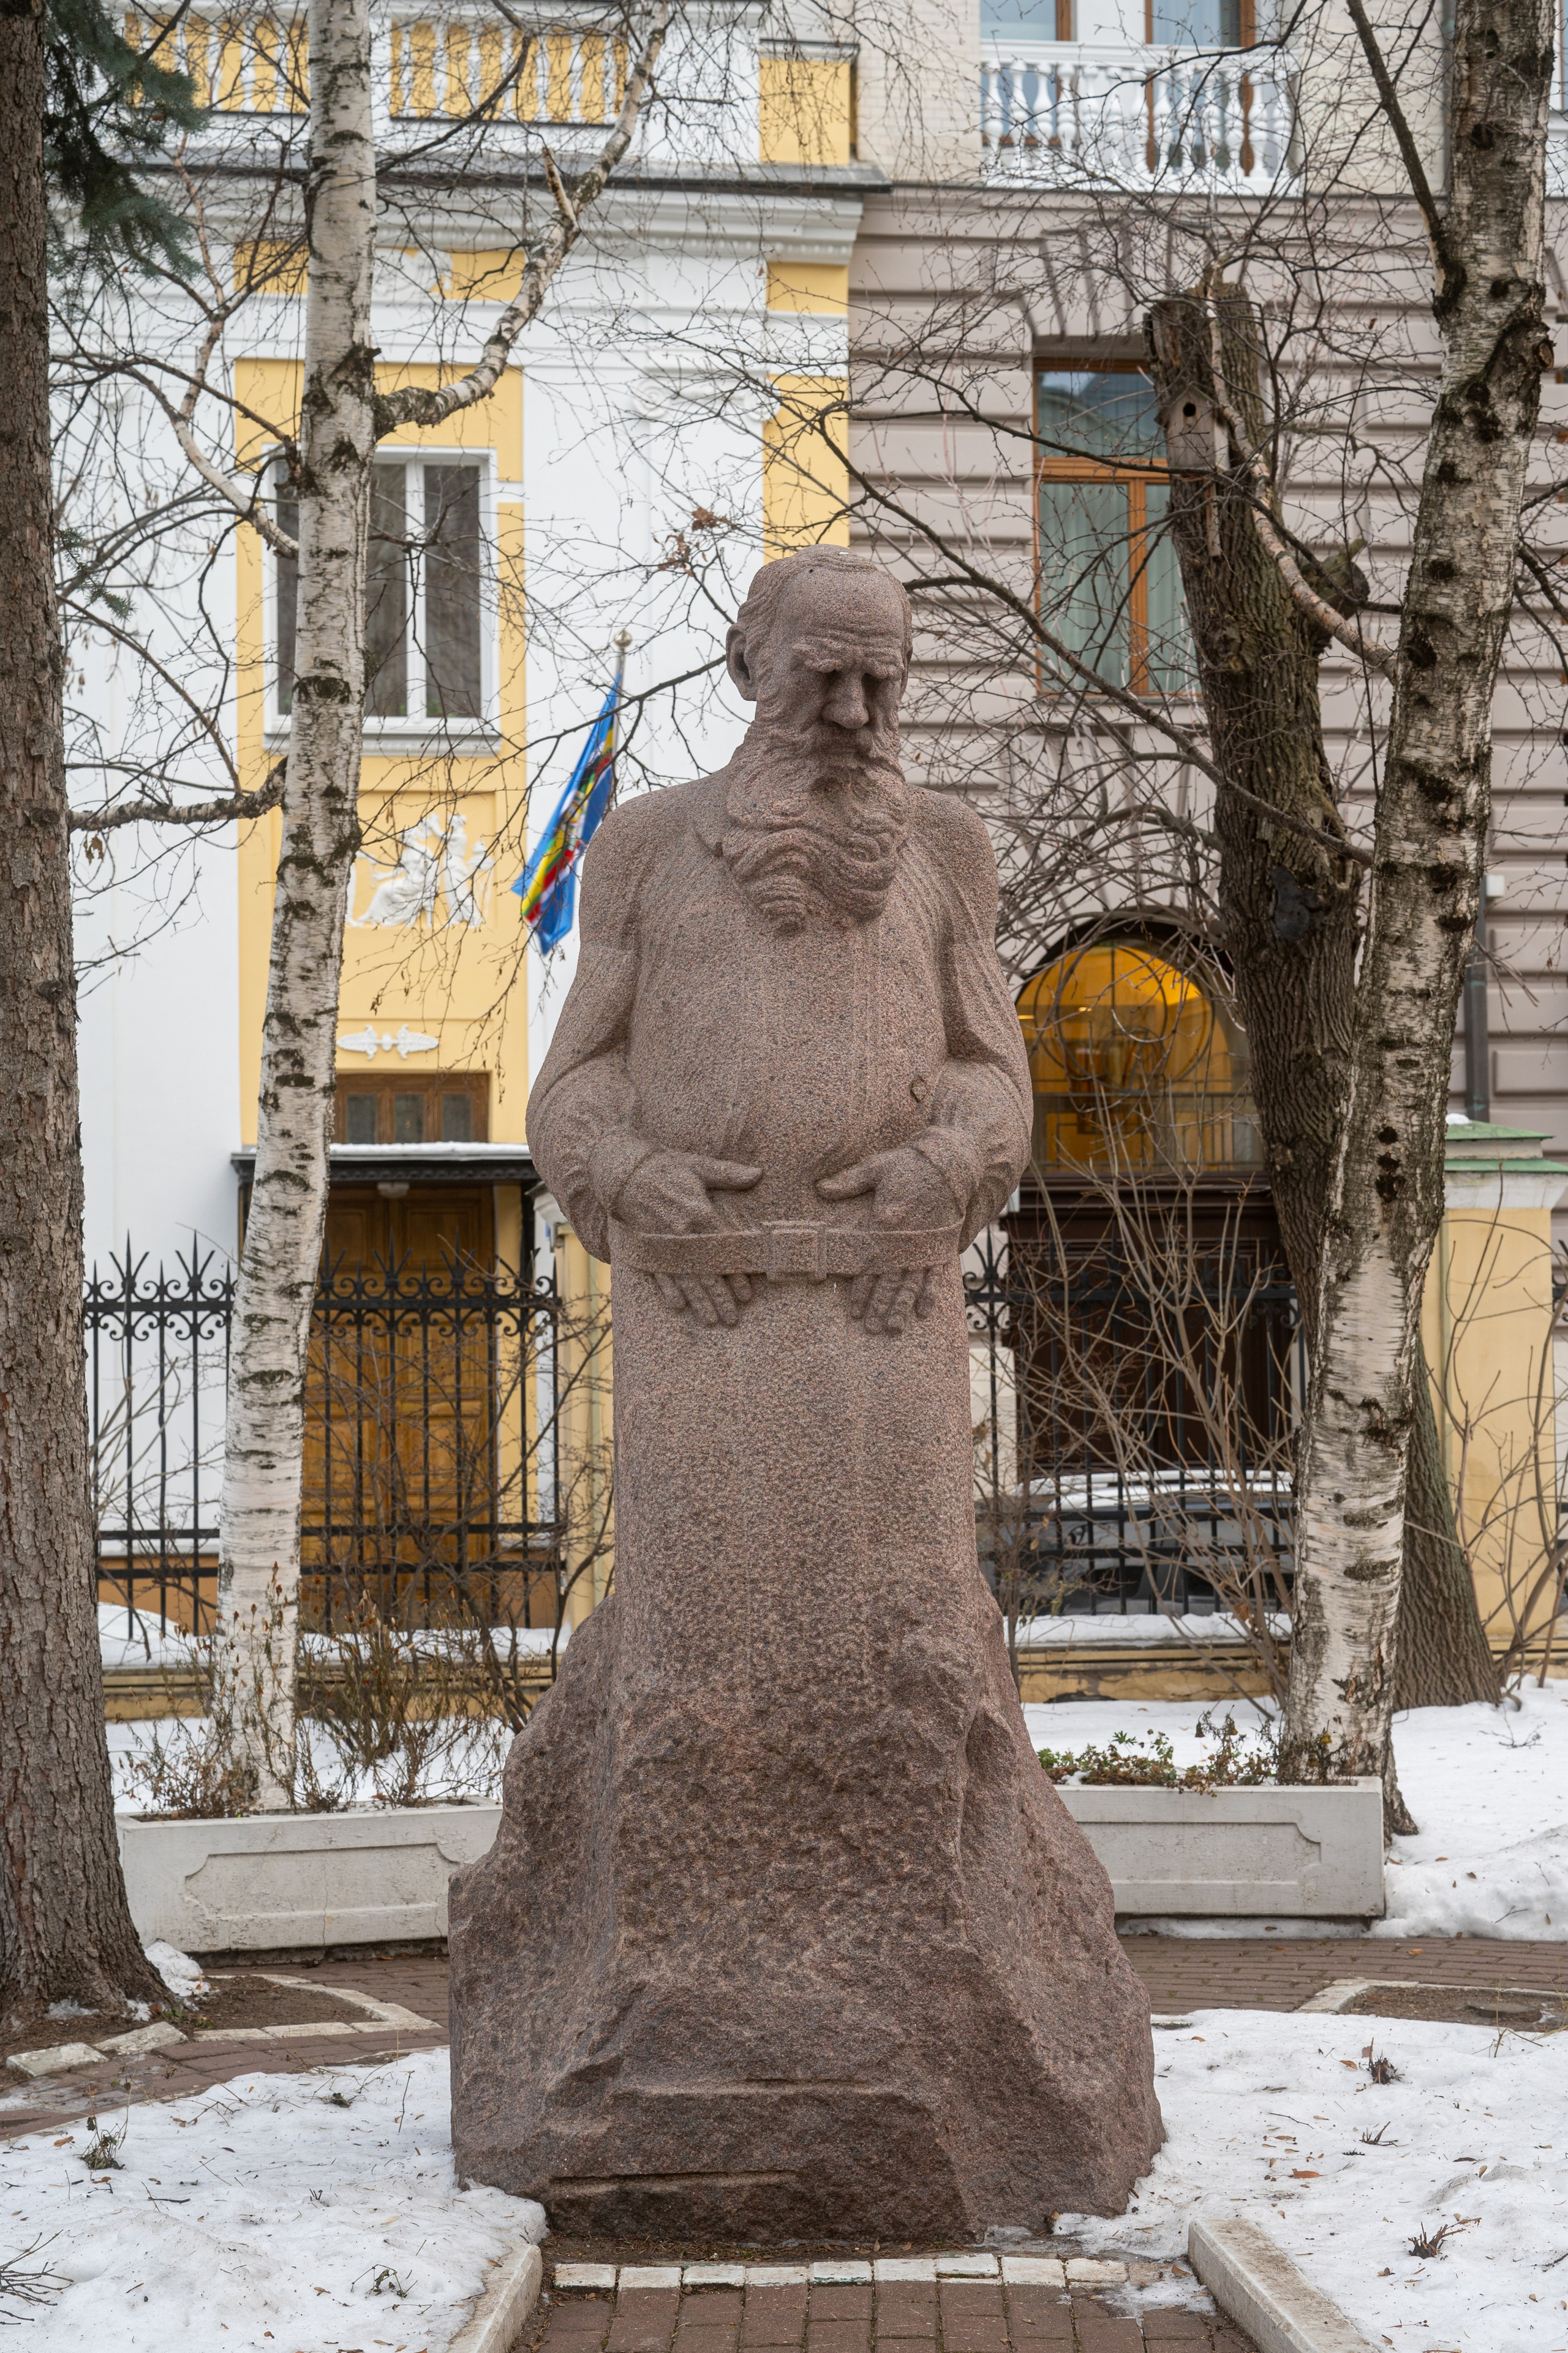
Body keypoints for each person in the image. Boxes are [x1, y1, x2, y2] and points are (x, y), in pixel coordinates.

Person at [448, 546, 1161, 2242]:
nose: (853, 715)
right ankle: (672, 1991)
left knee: (903, 1663)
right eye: (820, 676)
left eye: (882, 682)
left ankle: (929, 1996)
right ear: (743, 658)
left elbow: (1002, 1074)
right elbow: (570, 1088)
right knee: (699, 1672)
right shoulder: (643, 850)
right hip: (701, 1338)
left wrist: (950, 1161)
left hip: (885, 1332)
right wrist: (623, 1179)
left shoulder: (949, 856)